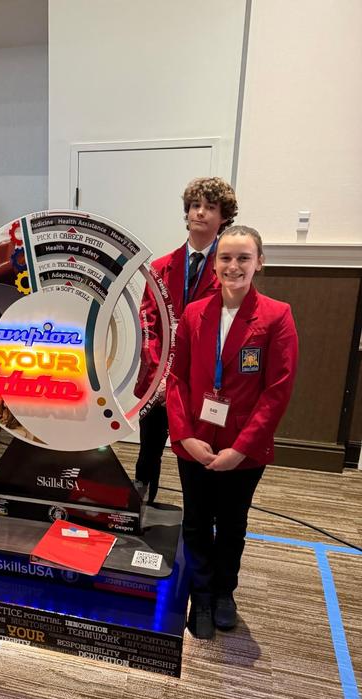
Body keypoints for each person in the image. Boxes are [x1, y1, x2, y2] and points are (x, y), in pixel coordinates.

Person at [166, 225, 298, 639]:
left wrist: (241, 449)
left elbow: (277, 392)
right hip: (196, 443)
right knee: (196, 521)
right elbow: (177, 380)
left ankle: (225, 592)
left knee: (233, 521)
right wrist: (185, 436)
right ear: (215, 263)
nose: (233, 266)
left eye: (243, 258)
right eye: (225, 258)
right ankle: (201, 595)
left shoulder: (277, 316)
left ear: (259, 262)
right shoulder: (193, 313)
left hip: (245, 450)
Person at [134, 177, 238, 504]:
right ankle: (141, 505)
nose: (201, 213)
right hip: (157, 380)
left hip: (202, 382)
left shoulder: (230, 269)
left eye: (210, 208)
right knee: (149, 447)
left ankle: (200, 516)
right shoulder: (162, 267)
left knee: (200, 451)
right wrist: (161, 378)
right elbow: (148, 322)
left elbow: (226, 330)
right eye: (195, 206)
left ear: (224, 217)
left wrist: (181, 378)